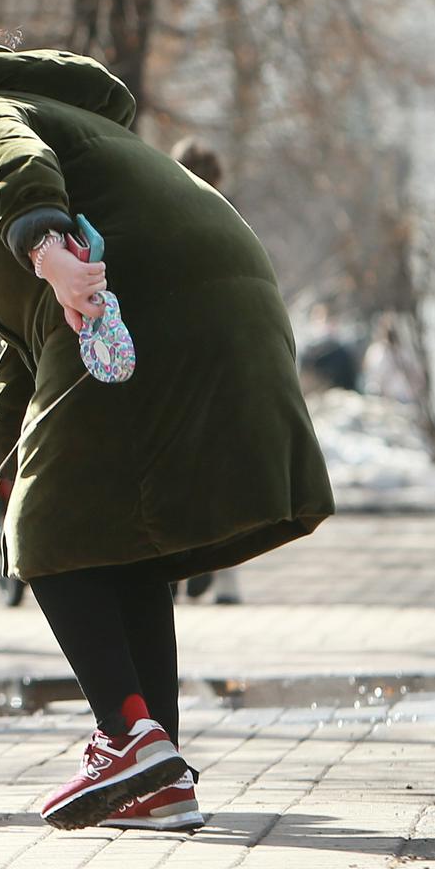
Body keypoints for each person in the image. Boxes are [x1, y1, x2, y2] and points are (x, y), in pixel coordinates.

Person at [0, 3, 331, 830]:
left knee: (46, 532)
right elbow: (32, 344)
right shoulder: (72, 116)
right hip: (227, 290)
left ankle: (124, 737)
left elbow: (8, 157)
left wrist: (44, 243)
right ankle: (158, 768)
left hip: (148, 298)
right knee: (123, 541)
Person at [169, 137, 242, 605]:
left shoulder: (160, 215)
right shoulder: (228, 223)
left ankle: (176, 567)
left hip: (174, 362)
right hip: (217, 361)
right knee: (218, 472)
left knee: (173, 469)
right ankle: (217, 566)